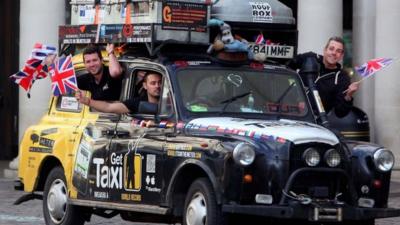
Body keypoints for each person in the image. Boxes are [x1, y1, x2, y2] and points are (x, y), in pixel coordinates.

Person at [287, 36, 359, 117]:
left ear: (341, 56)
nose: (334, 53)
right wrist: (296, 93)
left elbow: (340, 113)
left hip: (313, 120)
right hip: (286, 108)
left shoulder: (342, 78)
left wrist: (348, 96)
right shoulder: (310, 58)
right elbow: (287, 68)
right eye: (331, 49)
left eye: (338, 51)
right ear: (325, 50)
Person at [76, 71, 162, 114]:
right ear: (145, 86)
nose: (157, 86)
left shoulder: (172, 100)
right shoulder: (138, 103)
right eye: (153, 83)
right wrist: (88, 101)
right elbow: (109, 107)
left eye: (160, 82)